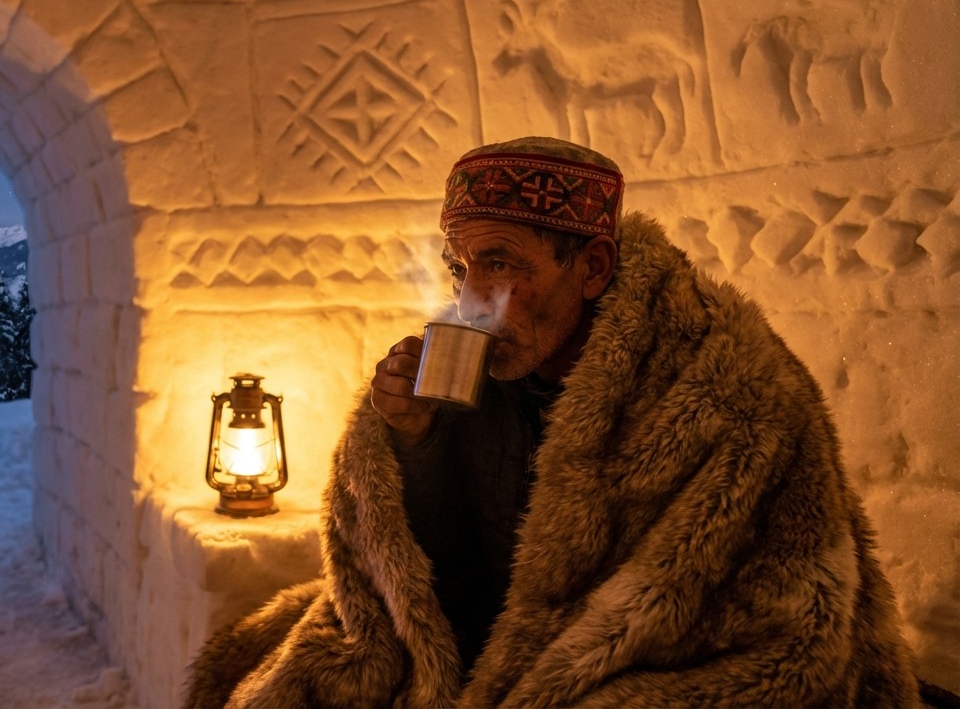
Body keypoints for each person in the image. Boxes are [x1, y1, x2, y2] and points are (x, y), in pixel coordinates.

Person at [183, 137, 920, 708]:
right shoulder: (484, 373)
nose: (472, 299)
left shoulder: (729, 390)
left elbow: (783, 627)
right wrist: (410, 440)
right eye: (460, 266)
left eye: (501, 264)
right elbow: (447, 570)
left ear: (593, 268)